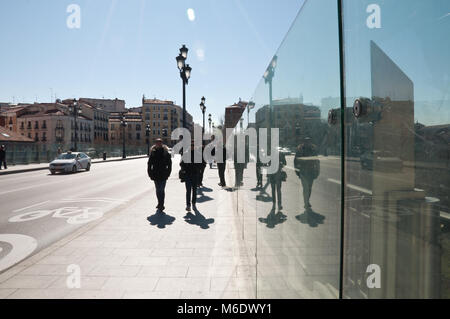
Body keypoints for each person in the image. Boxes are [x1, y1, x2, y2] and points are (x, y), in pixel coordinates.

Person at [294, 137, 320, 211]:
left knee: (309, 188)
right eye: (306, 142)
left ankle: (307, 200)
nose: (307, 143)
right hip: (303, 172)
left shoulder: (313, 149)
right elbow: (295, 160)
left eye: (308, 142)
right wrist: (297, 171)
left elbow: (317, 160)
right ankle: (306, 202)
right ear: (304, 142)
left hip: (311, 172)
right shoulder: (300, 149)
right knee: (305, 188)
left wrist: (317, 171)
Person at [147, 138, 172, 212]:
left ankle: (161, 204)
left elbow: (169, 165)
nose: (158, 144)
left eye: (160, 142)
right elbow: (149, 164)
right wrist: (150, 173)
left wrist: (168, 173)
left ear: (162, 143)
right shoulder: (153, 152)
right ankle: (159, 203)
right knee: (158, 190)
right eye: (157, 142)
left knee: (161, 189)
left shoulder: (166, 153)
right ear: (155, 143)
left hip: (164, 174)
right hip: (155, 174)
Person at [180, 140, 203, 211]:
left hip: (195, 174)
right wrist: (184, 168)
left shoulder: (198, 154)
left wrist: (199, 169)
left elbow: (202, 163)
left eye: (193, 145)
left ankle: (193, 202)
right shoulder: (186, 154)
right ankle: (188, 205)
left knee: (194, 190)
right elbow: (181, 163)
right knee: (188, 190)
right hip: (187, 174)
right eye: (191, 145)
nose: (192, 146)